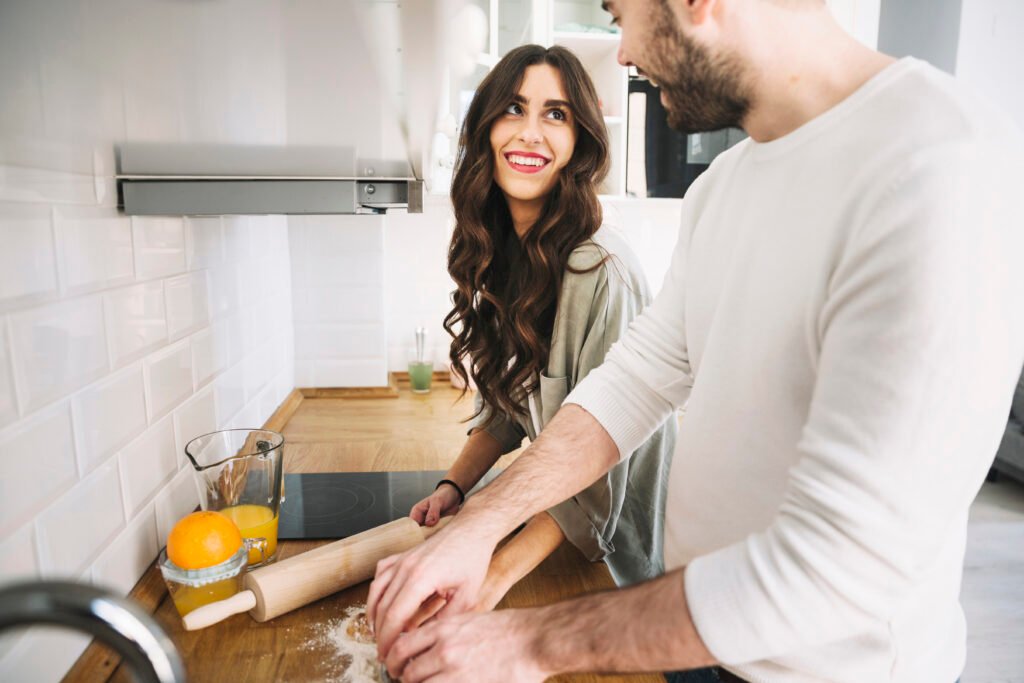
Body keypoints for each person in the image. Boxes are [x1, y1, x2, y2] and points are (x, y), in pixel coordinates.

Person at [368, 1, 1024, 682]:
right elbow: (631, 384)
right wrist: (479, 523)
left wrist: (529, 641)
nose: (621, 53)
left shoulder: (940, 162)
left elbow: (836, 564)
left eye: (620, 13)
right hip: (688, 639)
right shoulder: (722, 188)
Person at [407, 43, 675, 613]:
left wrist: (492, 573)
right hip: (556, 542)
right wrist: (453, 489)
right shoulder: (510, 255)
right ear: (485, 130)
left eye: (556, 114)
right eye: (513, 108)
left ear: (579, 140)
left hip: (621, 571)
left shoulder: (600, 269)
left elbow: (599, 469)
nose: (531, 133)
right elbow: (514, 404)